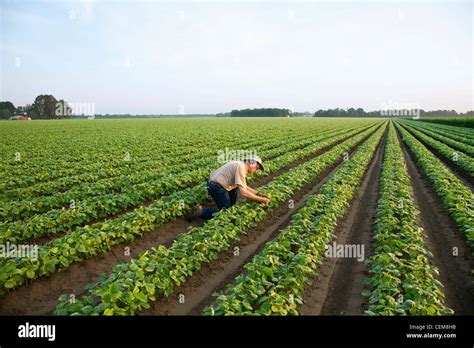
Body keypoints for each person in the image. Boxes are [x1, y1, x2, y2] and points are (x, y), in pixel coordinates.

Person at [189, 155, 270, 220]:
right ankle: (202, 212)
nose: (256, 170)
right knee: (226, 214)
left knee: (233, 197)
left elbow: (243, 186)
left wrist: (258, 193)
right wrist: (261, 199)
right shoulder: (240, 167)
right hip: (216, 186)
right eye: (257, 168)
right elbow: (244, 192)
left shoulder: (241, 165)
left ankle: (226, 206)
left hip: (217, 183)